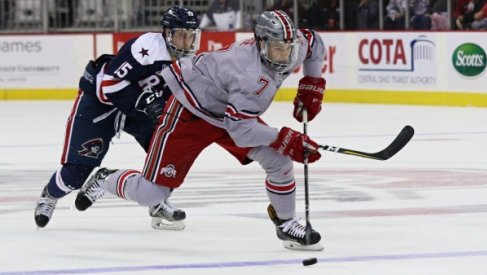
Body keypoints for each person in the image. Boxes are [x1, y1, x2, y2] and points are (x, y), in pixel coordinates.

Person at [75, 10, 327, 251]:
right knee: (151, 193)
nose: (284, 56)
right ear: (261, 43)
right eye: (276, 48)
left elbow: (315, 41)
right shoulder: (248, 74)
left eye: (287, 48)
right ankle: (105, 179)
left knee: (278, 161)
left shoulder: (294, 46)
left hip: (230, 111)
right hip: (190, 110)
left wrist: (312, 84)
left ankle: (285, 224)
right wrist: (283, 137)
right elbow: (240, 132)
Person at [33, 6, 201, 230]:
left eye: (190, 36)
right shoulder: (147, 47)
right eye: (181, 36)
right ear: (167, 33)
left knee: (171, 155)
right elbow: (108, 86)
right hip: (101, 102)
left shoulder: (189, 61)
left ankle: (155, 202)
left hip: (138, 108)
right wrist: (145, 101)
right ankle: (50, 195)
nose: (186, 43)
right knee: (74, 175)